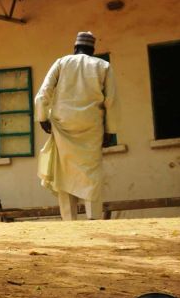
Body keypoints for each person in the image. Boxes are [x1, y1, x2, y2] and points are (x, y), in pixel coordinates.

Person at [34, 31, 119, 220]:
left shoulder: (61, 62)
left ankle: (69, 220)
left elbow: (43, 94)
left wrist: (42, 118)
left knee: (63, 172)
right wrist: (110, 131)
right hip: (92, 126)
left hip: (63, 126)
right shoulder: (103, 66)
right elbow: (111, 101)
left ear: (75, 48)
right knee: (91, 173)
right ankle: (93, 217)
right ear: (93, 49)